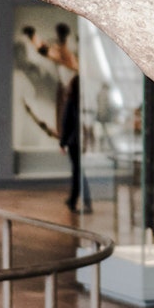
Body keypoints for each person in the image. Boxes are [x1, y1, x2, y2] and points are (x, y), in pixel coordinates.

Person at [59, 75, 91, 213]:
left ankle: (74, 200)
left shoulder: (72, 102)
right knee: (79, 171)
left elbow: (66, 124)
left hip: (74, 142)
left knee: (77, 172)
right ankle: (83, 199)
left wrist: (62, 142)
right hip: (80, 141)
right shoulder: (82, 102)